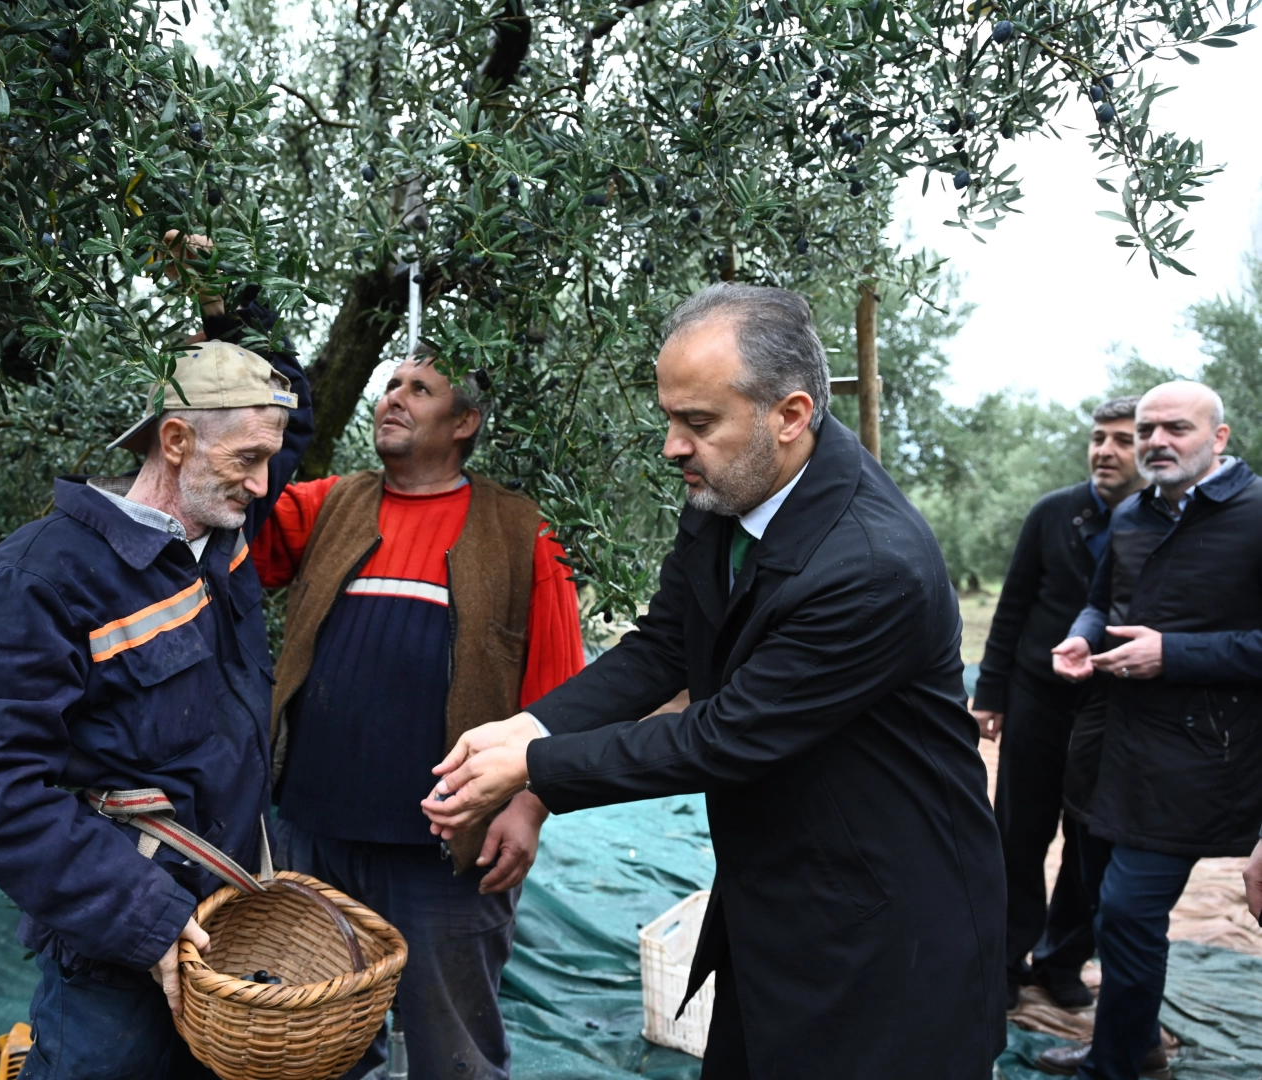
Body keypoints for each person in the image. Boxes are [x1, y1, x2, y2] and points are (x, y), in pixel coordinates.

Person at [422, 283, 1006, 1079]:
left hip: (883, 934)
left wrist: (536, 771)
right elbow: (664, 646)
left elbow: (729, 733)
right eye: (670, 417)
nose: (672, 446)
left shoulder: (871, 565)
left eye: (697, 423)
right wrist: (532, 728)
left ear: (791, 416)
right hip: (777, 903)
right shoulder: (729, 496)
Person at [0, 239, 313, 1079]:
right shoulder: (43, 578)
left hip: (232, 922)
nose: (266, 483)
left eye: (268, 458)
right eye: (249, 460)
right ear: (175, 440)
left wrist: (227, 288)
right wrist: (141, 920)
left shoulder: (221, 521)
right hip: (120, 957)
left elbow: (290, 405)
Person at [251, 352, 584, 1080]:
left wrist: (528, 808)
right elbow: (242, 520)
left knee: (453, 1050)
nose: (393, 399)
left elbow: (561, 693)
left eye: (419, 390)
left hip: (445, 852)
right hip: (313, 834)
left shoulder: (522, 530)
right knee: (320, 1046)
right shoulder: (331, 503)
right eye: (391, 385)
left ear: (464, 422)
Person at [1043, 381, 1262, 1080]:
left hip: (1201, 757)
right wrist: (1081, 637)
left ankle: (1116, 1067)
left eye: (1177, 428)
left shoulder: (1257, 516)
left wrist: (1174, 654)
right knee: (1112, 914)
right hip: (1109, 745)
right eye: (1147, 430)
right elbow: (1100, 600)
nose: (1157, 443)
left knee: (1129, 912)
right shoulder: (1134, 514)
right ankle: (1132, 1044)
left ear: (1219, 438)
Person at [972, 396, 1145, 1010]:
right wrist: (989, 694)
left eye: (1122, 439)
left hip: (1117, 710)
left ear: (1148, 447)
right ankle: (1007, 958)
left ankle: (1063, 959)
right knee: (1017, 831)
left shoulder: (1166, 525)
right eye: (1100, 437)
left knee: (1092, 839)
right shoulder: (1053, 513)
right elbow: (1012, 606)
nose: (1105, 450)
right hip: (1036, 700)